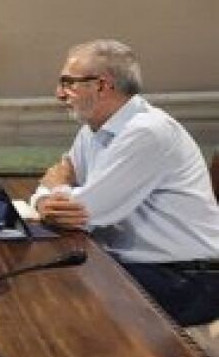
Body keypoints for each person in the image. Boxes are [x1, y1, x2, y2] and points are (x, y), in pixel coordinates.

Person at [32, 39, 219, 326]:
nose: (59, 94)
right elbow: (60, 184)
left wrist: (50, 193)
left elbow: (82, 213)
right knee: (45, 281)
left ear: (102, 85)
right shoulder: (92, 130)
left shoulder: (147, 131)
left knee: (56, 297)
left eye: (68, 83)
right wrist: (48, 197)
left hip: (187, 277)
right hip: (142, 266)